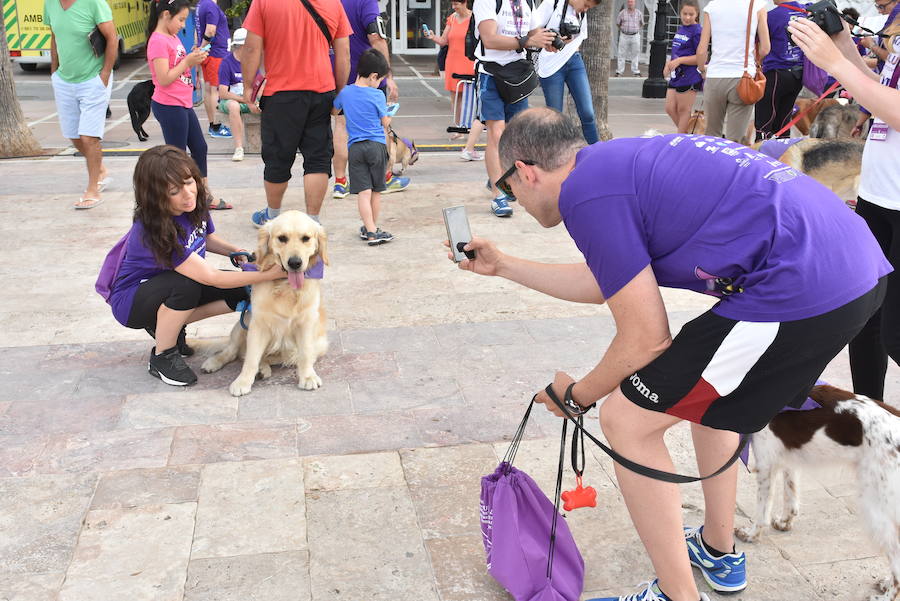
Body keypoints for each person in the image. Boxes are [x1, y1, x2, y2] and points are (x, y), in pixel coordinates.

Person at [451, 107, 890, 601]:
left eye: (508, 188)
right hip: (855, 269)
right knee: (714, 397)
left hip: (801, 288)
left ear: (526, 170)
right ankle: (718, 549)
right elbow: (608, 282)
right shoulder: (612, 165)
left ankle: (679, 596)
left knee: (626, 420)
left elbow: (645, 338)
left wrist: (578, 395)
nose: (515, 198)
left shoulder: (586, 195)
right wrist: (505, 266)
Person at [107, 145, 285, 386]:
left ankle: (168, 327)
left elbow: (206, 238)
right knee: (186, 284)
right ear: (154, 195)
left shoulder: (193, 206)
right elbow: (210, 277)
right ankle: (163, 356)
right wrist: (268, 274)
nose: (187, 194)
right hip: (132, 301)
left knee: (241, 291)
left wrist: (235, 251)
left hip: (168, 285)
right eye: (173, 191)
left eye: (189, 182)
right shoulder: (154, 229)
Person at [789, 18, 900, 402]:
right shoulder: (894, 18)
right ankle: (873, 423)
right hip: (878, 193)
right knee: (864, 321)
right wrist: (840, 43)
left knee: (895, 334)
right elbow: (883, 92)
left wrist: (833, 63)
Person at [240, 0, 352, 227]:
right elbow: (344, 53)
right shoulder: (333, 3)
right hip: (321, 90)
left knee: (277, 157)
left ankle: (272, 216)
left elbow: (252, 48)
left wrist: (248, 86)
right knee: (318, 158)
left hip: (281, 93)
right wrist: (339, 94)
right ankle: (313, 221)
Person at [473, 0, 556, 217]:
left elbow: (534, 32)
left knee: (514, 135)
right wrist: (528, 40)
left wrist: (548, 41)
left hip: (517, 76)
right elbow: (489, 39)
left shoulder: (527, 1)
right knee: (497, 134)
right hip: (490, 73)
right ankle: (498, 195)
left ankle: (498, 177)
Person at [146, 0, 231, 211]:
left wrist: (194, 58)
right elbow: (164, 79)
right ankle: (178, 201)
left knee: (199, 148)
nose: (183, 25)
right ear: (166, 15)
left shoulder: (172, 36)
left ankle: (202, 194)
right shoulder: (157, 41)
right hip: (169, 105)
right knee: (177, 157)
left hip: (182, 103)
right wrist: (188, 63)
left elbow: (179, 64)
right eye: (181, 19)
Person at [44, 0, 117, 209]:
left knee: (89, 137)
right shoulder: (50, 4)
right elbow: (55, 36)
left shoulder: (94, 3)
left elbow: (112, 38)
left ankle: (93, 189)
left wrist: (104, 75)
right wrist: (54, 70)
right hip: (64, 80)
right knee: (74, 136)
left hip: (93, 78)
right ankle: (100, 170)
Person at [332, 0, 408, 199]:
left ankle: (340, 182)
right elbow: (376, 37)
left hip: (336, 69)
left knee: (340, 126)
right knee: (380, 126)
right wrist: (388, 75)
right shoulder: (366, 2)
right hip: (367, 72)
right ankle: (385, 177)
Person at [334, 49, 395, 246]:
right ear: (373, 76)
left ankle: (368, 228)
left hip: (355, 148)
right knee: (376, 190)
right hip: (376, 146)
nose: (379, 84)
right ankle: (372, 230)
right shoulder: (377, 95)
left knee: (363, 192)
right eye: (380, 80)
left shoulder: (345, 92)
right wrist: (390, 115)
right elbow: (385, 123)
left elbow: (335, 110)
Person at [696, 0, 770, 143]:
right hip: (743, 76)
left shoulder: (712, 6)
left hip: (715, 75)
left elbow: (702, 49)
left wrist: (702, 69)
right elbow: (765, 48)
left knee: (711, 136)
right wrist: (754, 61)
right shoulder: (756, 5)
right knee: (735, 140)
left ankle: (712, 164)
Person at [425, 0, 487, 160]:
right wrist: (432, 37)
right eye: (452, 4)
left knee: (471, 98)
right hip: (453, 60)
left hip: (469, 61)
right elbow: (444, 40)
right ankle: (459, 129)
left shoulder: (475, 17)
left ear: (465, 3)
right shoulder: (452, 18)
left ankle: (470, 129)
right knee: (455, 97)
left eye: (456, 4)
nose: (454, 7)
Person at [532, 0, 600, 144]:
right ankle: (554, 156)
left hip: (574, 61)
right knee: (555, 117)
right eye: (586, 5)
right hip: (550, 64)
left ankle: (597, 153)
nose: (586, 9)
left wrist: (566, 41)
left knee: (588, 113)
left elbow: (581, 36)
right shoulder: (552, 3)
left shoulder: (581, 13)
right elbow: (531, 29)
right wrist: (550, 38)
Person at [754, 1, 806, 140]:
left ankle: (762, 157)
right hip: (798, 74)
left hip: (776, 72)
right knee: (783, 123)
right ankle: (782, 156)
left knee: (764, 123)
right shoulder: (805, 11)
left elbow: (761, 46)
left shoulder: (770, 16)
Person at [217, 28, 257, 162]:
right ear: (240, 47)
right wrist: (244, 100)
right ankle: (239, 148)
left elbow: (260, 85)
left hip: (249, 98)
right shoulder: (226, 63)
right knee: (234, 106)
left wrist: (256, 100)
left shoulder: (253, 61)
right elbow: (223, 93)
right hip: (231, 99)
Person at [663, 0, 702, 134]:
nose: (687, 17)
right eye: (684, 13)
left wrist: (679, 61)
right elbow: (675, 50)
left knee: (683, 110)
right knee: (669, 107)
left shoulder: (697, 31)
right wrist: (668, 65)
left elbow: (700, 57)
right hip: (676, 75)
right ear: (680, 13)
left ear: (696, 14)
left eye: (691, 14)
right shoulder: (681, 29)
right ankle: (686, 135)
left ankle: (681, 137)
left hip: (689, 76)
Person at [196, 0, 231, 139]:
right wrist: (202, 47)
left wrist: (199, 46)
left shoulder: (200, 4)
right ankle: (215, 126)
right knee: (215, 89)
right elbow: (210, 30)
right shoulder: (210, 5)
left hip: (208, 53)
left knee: (209, 88)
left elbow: (197, 29)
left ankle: (213, 124)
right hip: (215, 53)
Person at [615, 0, 643, 77]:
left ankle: (635, 71)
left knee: (635, 53)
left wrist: (635, 29)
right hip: (624, 35)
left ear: (635, 3)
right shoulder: (622, 13)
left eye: (632, 2)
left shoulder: (639, 13)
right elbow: (618, 23)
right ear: (627, 3)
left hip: (635, 35)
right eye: (629, 2)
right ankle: (619, 72)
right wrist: (624, 29)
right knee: (621, 53)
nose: (630, 4)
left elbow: (641, 24)